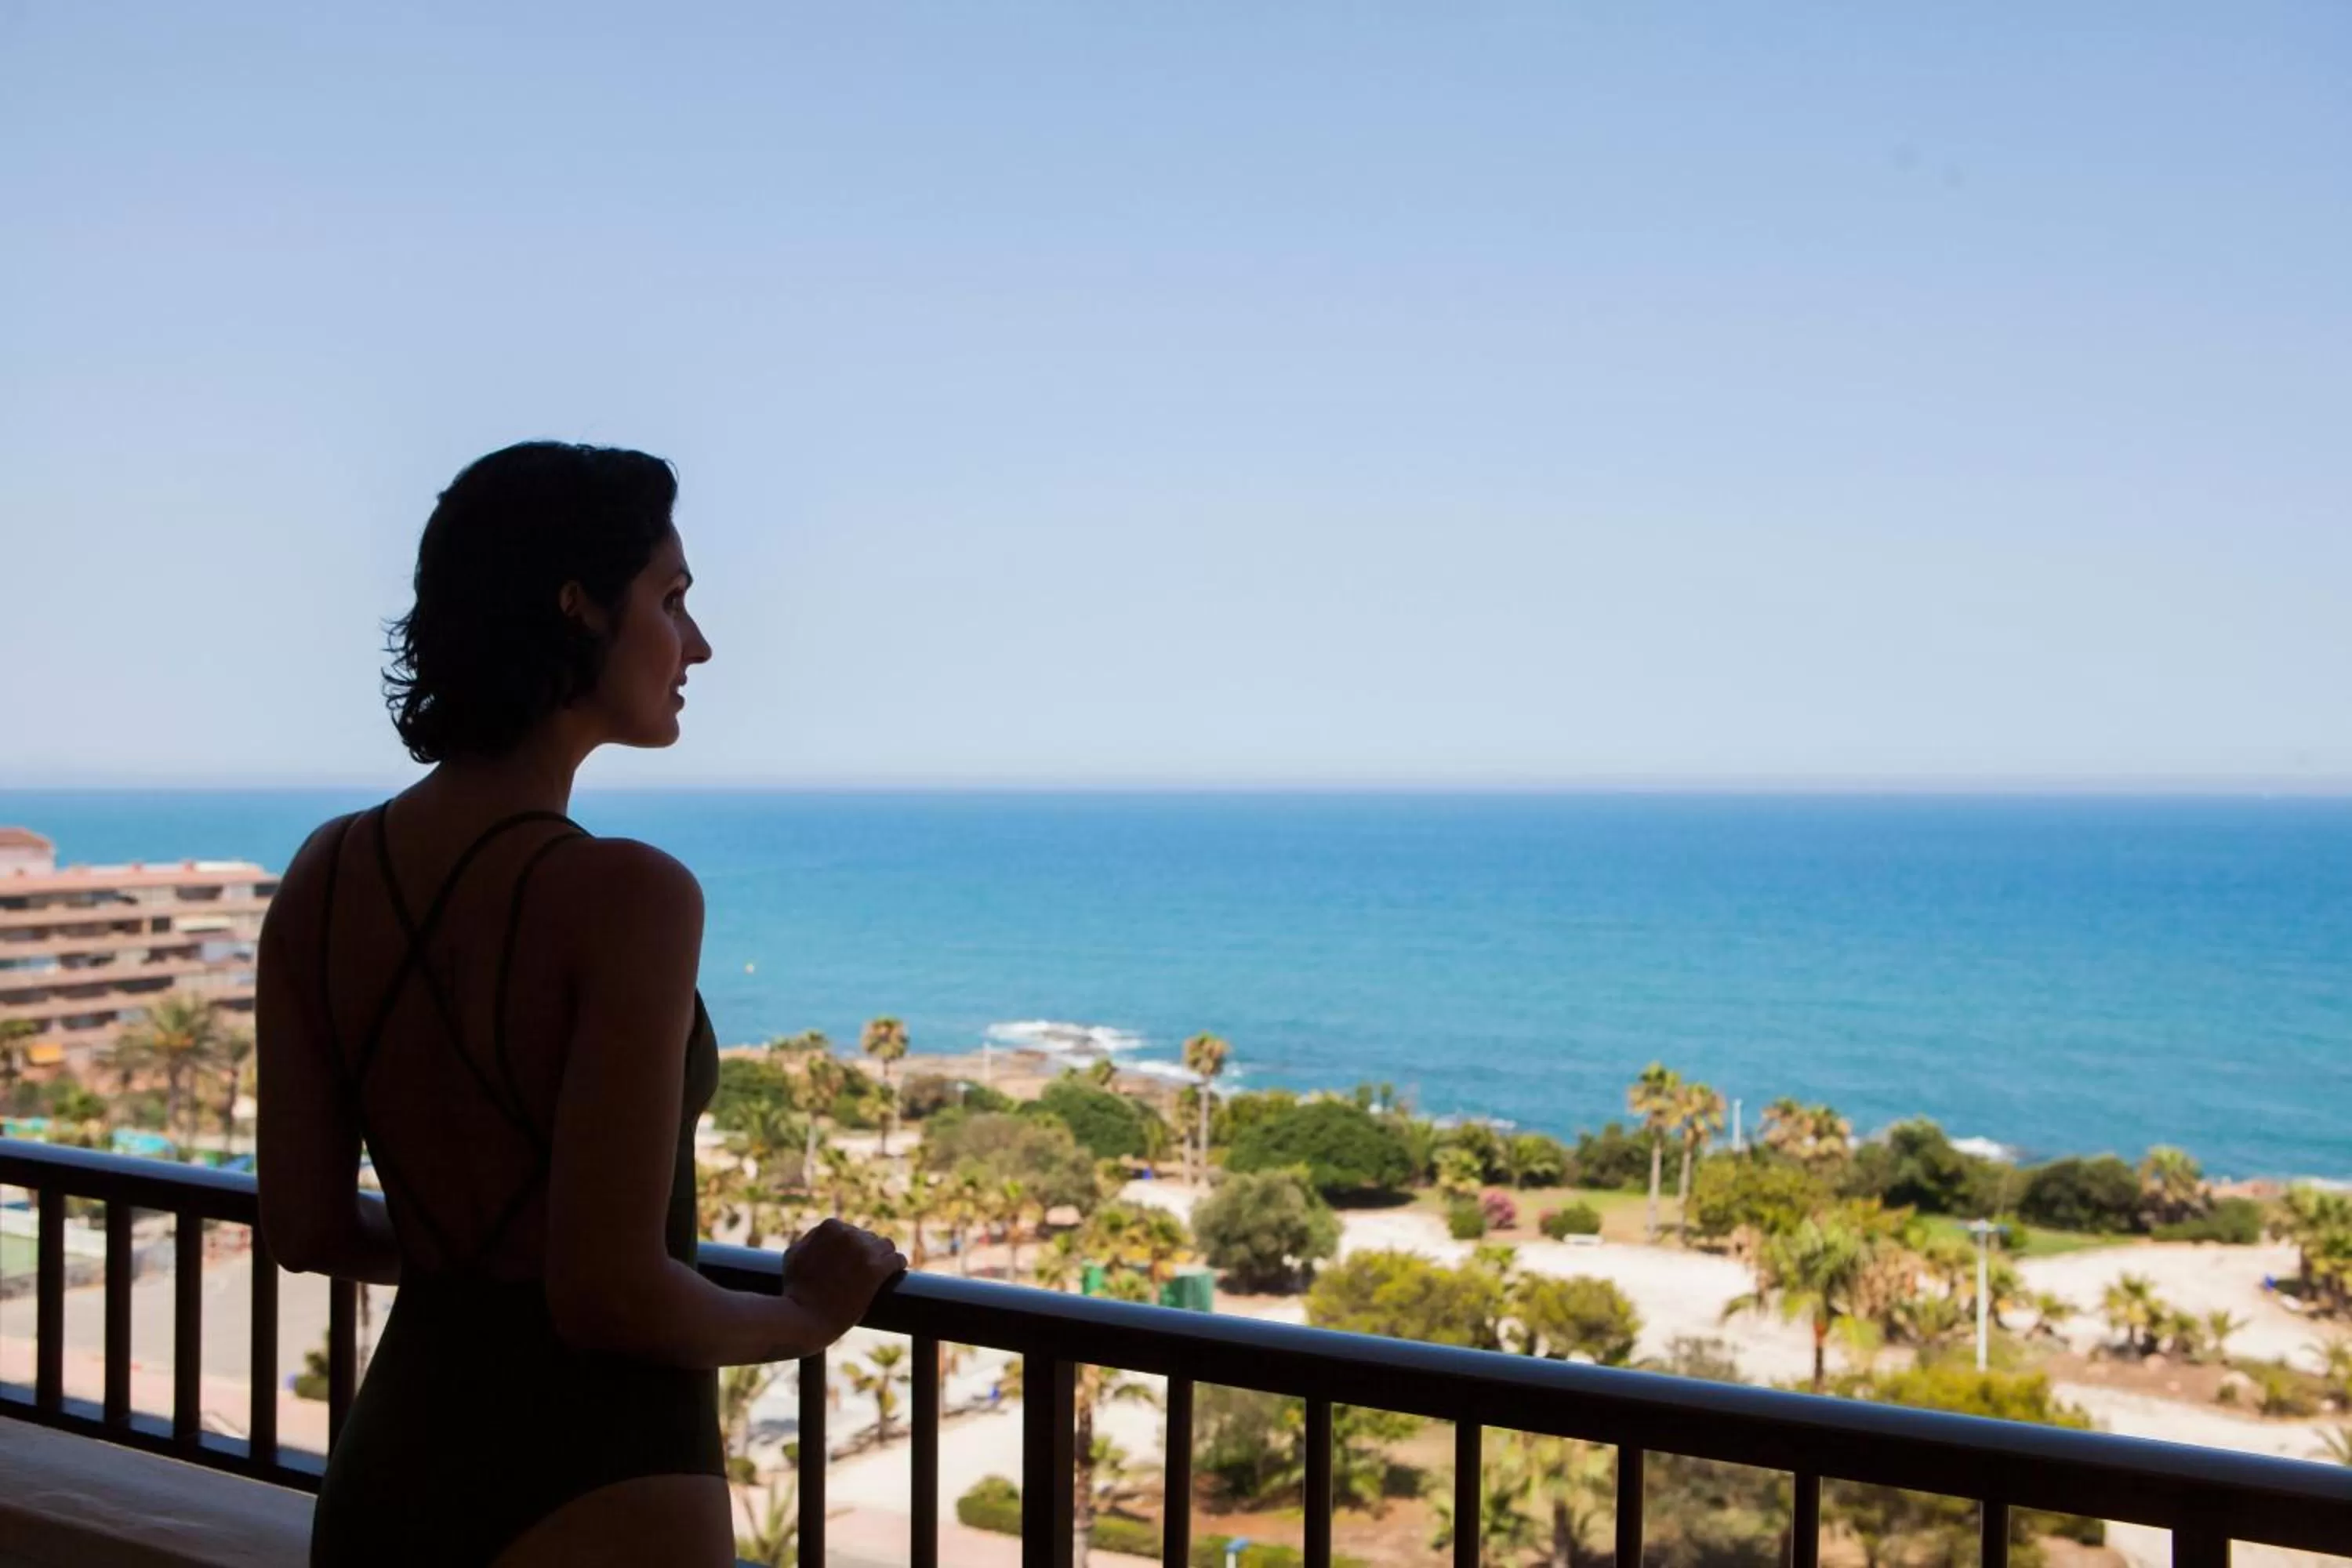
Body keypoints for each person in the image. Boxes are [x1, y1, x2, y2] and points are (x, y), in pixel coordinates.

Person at [256, 441, 904, 1566]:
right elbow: (611, 1296)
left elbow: (307, 1229)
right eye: (672, 598)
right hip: (601, 1469)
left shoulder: (325, 871)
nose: (697, 643)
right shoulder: (628, 895)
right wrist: (808, 1316)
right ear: (578, 609)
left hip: (392, 1469)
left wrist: (489, 1262)